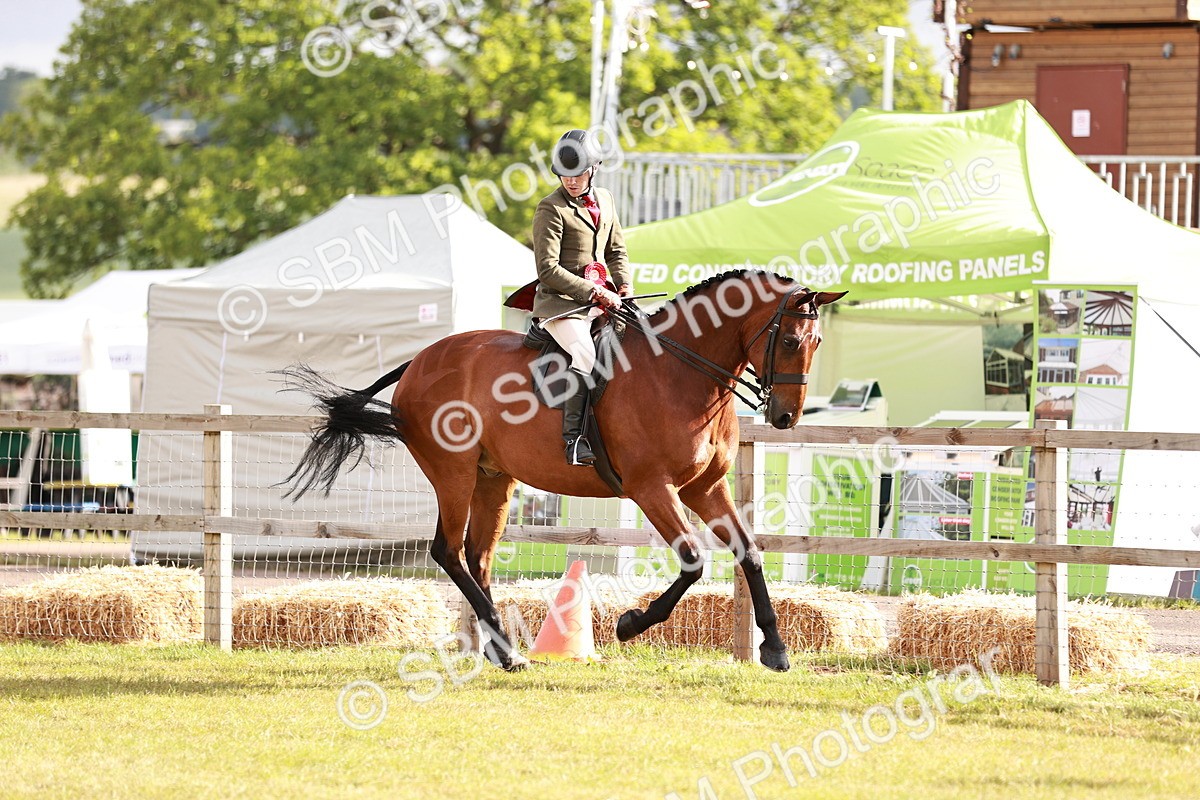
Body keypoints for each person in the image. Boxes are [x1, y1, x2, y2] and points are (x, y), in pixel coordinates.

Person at [532, 129, 633, 466]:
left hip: (602, 299)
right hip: (562, 305)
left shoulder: (605, 199)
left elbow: (616, 251)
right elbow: (547, 269)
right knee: (586, 355)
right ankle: (574, 440)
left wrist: (624, 287)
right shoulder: (551, 208)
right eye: (564, 175)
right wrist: (595, 291)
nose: (571, 181)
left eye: (577, 174)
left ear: (594, 168)